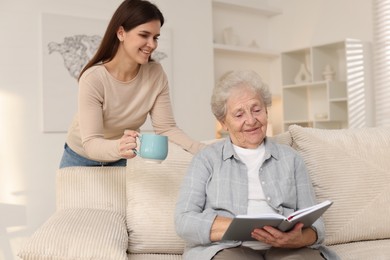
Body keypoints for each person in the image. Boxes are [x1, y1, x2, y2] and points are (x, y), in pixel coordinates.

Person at [175, 70, 340, 260]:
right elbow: (184, 220)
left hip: (287, 250)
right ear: (224, 123)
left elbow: (317, 225)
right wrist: (236, 227)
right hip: (228, 249)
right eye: (239, 114)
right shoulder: (206, 159)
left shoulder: (291, 158)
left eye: (256, 109)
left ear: (267, 111)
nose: (251, 120)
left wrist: (299, 239)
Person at [59, 0, 205, 168]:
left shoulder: (155, 74)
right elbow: (91, 143)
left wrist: (202, 149)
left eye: (155, 37)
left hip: (121, 157)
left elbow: (167, 129)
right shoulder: (94, 78)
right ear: (121, 33)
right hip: (80, 157)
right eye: (144, 35)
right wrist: (119, 146)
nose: (152, 44)